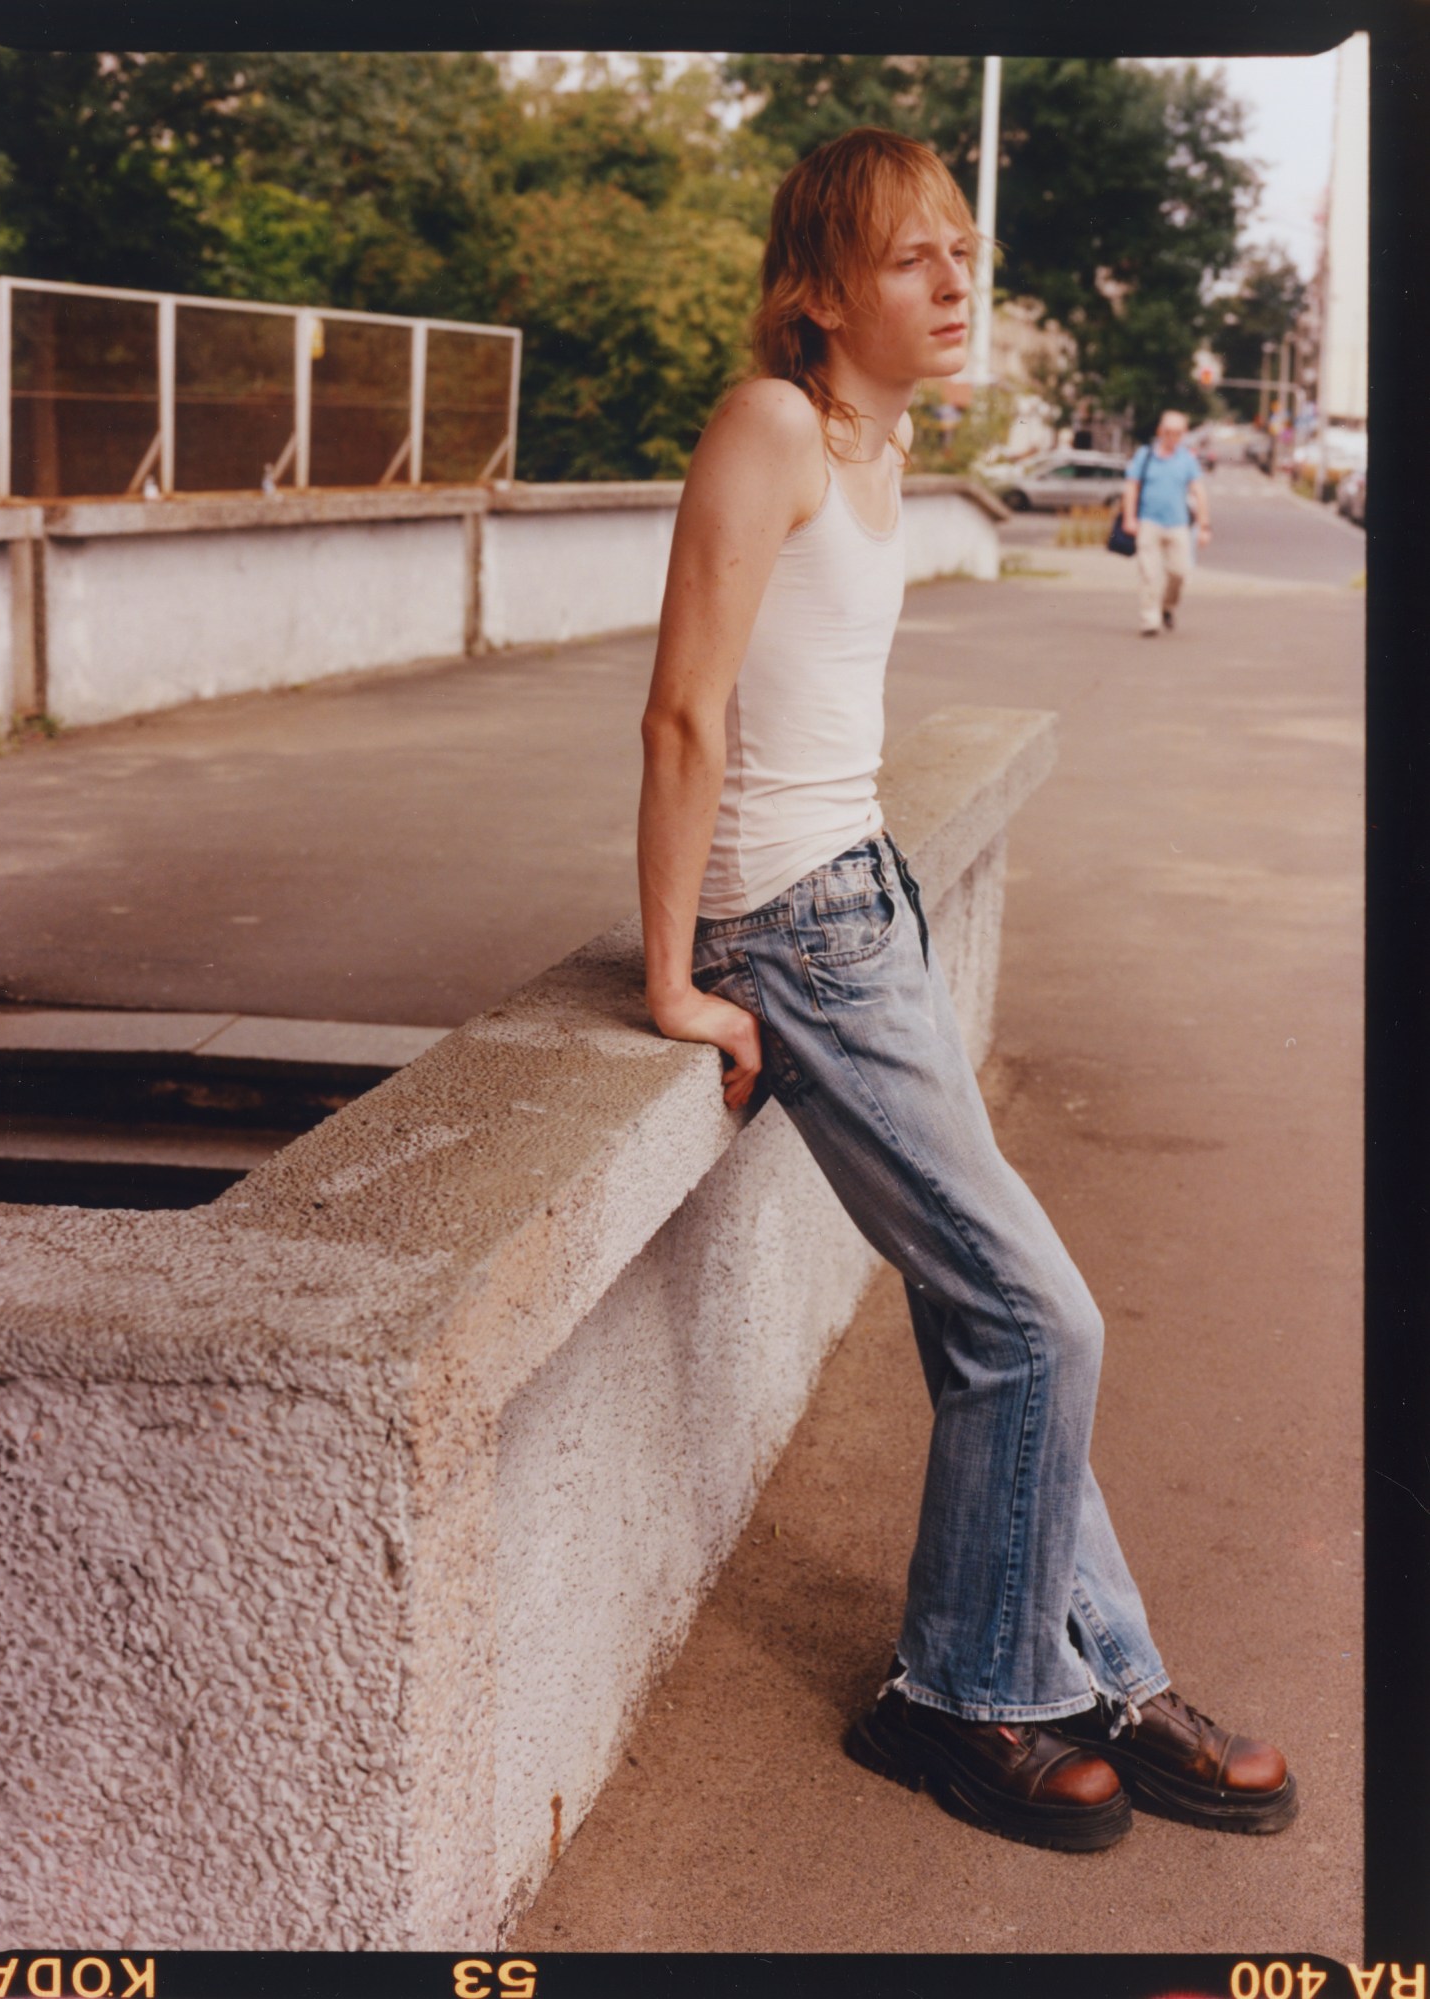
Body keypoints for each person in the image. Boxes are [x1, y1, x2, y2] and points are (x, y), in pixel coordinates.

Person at [636, 125, 1296, 1853]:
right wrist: (671, 976)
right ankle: (955, 1690)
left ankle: (1099, 1662)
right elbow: (681, 713)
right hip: (788, 928)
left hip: (870, 902)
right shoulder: (768, 423)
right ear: (817, 288)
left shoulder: (878, 435)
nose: (953, 281)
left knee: (981, 1307)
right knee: (1036, 1314)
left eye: (963, 253)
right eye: (911, 256)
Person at [1122, 410, 1211, 636]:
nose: (1173, 437)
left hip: (1178, 525)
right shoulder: (1145, 455)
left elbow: (1199, 492)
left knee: (1180, 573)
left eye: (1178, 433)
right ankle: (1149, 621)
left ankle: (1167, 607)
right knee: (1149, 575)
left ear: (1184, 434)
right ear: (1160, 431)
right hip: (1148, 523)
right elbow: (1132, 486)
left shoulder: (1187, 460)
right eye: (1169, 432)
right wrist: (1129, 518)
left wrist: (1204, 526)